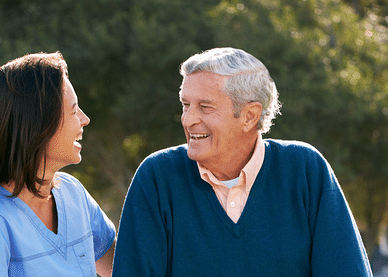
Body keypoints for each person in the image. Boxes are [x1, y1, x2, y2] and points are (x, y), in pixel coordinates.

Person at [112, 47, 372, 276]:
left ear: (249, 115)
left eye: (205, 107)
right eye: (185, 105)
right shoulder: (157, 177)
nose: (188, 119)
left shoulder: (305, 170)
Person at [0, 52, 116, 277]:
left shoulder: (73, 194)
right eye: (73, 110)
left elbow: (127, 267)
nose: (84, 119)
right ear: (39, 124)